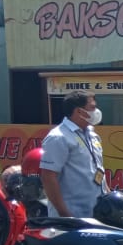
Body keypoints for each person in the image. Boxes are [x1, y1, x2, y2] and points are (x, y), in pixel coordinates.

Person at [40, 90, 106, 218]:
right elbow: (48, 177)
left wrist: (107, 196)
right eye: (92, 107)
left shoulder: (92, 135)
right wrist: (65, 215)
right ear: (79, 111)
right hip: (72, 217)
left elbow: (98, 170)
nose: (96, 111)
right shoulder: (58, 137)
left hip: (95, 213)